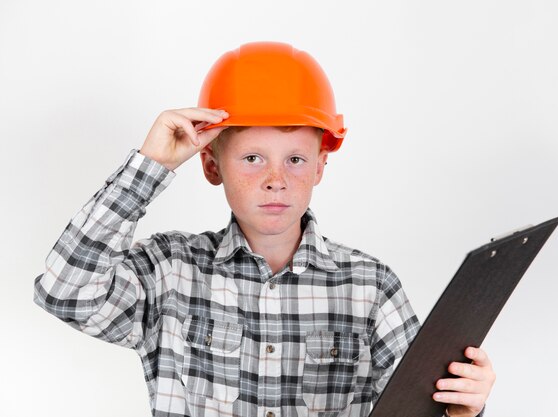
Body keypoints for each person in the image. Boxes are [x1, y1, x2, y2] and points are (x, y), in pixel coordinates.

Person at [34, 42, 495, 417]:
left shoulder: (370, 286)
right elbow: (66, 292)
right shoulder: (170, 272)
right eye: (252, 158)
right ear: (212, 166)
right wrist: (152, 165)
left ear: (320, 167)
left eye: (295, 159)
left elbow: (419, 406)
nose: (276, 178)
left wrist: (460, 408)